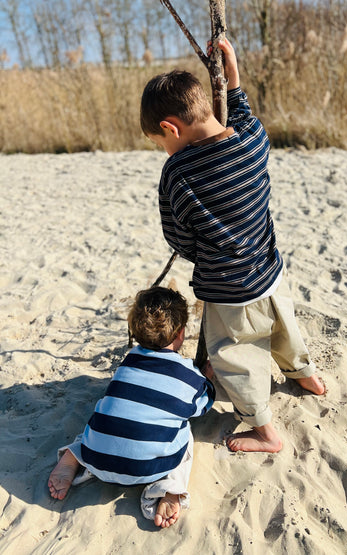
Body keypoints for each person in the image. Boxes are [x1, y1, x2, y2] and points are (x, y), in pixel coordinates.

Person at [140, 38, 325, 455]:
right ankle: (305, 374)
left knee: (233, 355)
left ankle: (264, 432)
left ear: (171, 128)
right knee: (284, 328)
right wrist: (233, 77)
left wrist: (204, 250)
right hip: (271, 272)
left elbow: (179, 238)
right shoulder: (253, 140)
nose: (164, 149)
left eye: (160, 140)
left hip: (228, 290)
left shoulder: (177, 172)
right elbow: (241, 113)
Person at [48, 286, 215, 528]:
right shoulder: (188, 375)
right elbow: (202, 406)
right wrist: (207, 381)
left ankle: (75, 454)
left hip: (98, 458)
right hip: (148, 469)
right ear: (180, 333)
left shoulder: (127, 364)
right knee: (185, 432)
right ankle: (170, 487)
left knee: (106, 416)